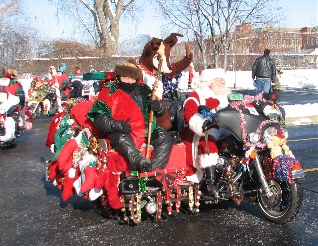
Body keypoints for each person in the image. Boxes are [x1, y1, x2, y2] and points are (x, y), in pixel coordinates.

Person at [87, 59, 173, 172]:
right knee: (121, 139)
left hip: (148, 130)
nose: (129, 81)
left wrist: (159, 108)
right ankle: (141, 163)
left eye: (132, 78)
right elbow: (99, 118)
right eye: (126, 78)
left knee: (165, 138)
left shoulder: (145, 90)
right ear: (118, 77)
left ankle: (154, 171)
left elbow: (158, 113)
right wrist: (118, 125)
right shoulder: (108, 92)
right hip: (122, 131)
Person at [181, 68, 231, 196]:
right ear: (210, 82)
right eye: (220, 81)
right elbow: (189, 112)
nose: (223, 83)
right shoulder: (197, 95)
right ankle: (210, 183)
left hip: (220, 129)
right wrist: (201, 122)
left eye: (223, 80)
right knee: (209, 143)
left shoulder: (224, 99)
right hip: (198, 132)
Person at [0, 68, 26, 133]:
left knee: (17, 112)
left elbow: (20, 95)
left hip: (9, 106)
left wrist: (19, 96)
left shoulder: (15, 85)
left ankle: (19, 125)